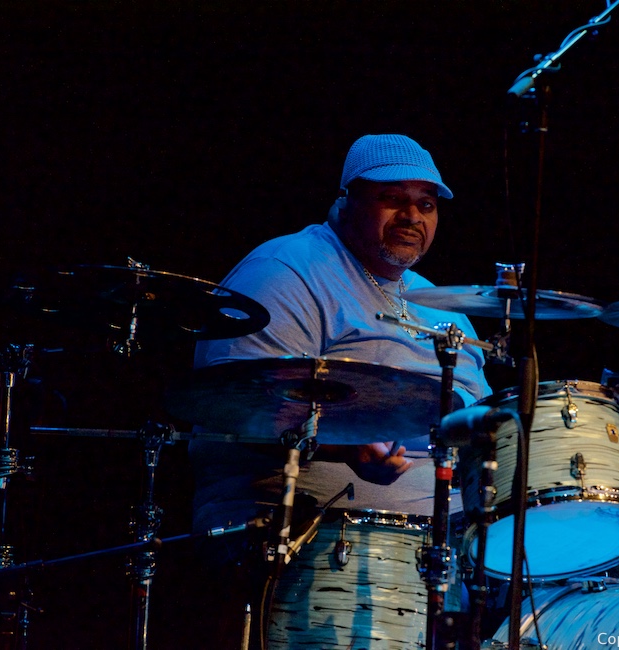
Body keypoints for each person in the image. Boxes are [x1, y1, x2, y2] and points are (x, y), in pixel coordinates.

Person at [184, 134, 493, 648]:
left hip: (446, 544)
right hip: (308, 535)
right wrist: (345, 449)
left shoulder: (441, 306)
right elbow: (234, 405)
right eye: (392, 199)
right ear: (348, 198)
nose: (412, 217)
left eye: (426, 204)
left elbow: (481, 424)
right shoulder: (286, 273)